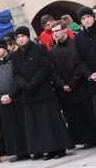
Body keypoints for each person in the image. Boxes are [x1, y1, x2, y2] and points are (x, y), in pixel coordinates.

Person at [11, 26, 72, 160]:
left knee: (50, 121)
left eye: (22, 36)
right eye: (18, 37)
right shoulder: (15, 55)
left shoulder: (39, 48)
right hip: (28, 93)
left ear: (27, 36)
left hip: (43, 91)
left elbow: (45, 67)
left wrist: (33, 83)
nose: (20, 39)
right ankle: (40, 149)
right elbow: (15, 74)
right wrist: (24, 85)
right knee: (35, 124)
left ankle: (58, 148)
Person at [50, 20, 96, 149]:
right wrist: (63, 84)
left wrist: (73, 83)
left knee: (88, 113)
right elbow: (53, 70)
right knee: (76, 117)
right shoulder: (53, 51)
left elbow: (80, 63)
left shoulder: (75, 43)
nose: (55, 34)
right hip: (66, 89)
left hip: (80, 86)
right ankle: (83, 139)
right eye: (53, 32)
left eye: (57, 31)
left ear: (65, 30)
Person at [0, 38, 29, 162]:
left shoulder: (14, 59)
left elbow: (19, 78)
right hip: (4, 101)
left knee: (24, 125)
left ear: (5, 48)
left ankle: (30, 149)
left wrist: (11, 95)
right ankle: (19, 152)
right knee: (12, 128)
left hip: (17, 98)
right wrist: (0, 96)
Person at [74, 6, 96, 123]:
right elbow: (79, 60)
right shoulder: (79, 38)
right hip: (93, 82)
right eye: (83, 18)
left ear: (93, 17)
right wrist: (90, 74)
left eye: (88, 16)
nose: (86, 20)